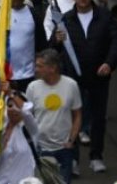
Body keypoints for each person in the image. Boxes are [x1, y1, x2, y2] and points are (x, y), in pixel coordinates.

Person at [52, 0, 117, 173]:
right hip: (73, 78)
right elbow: (52, 47)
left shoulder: (105, 17)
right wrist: (56, 40)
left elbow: (115, 42)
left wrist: (109, 63)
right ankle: (73, 159)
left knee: (98, 118)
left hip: (99, 76)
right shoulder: (65, 19)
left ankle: (96, 156)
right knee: (73, 118)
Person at [26, 49, 82, 183]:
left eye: (40, 66)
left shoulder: (71, 85)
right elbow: (27, 117)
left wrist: (71, 140)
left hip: (64, 148)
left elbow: (77, 114)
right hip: (41, 149)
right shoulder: (32, 87)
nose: (36, 69)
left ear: (52, 68)